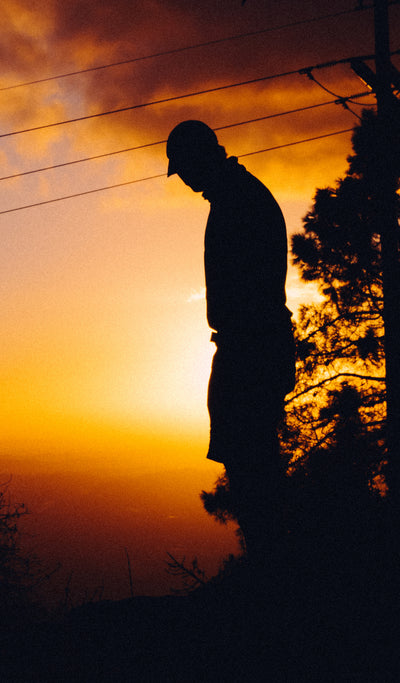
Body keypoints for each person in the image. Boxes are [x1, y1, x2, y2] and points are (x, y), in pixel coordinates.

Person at [166, 120, 296, 554]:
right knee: (251, 460)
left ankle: (270, 564)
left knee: (251, 462)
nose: (182, 180)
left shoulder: (239, 201)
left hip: (251, 348)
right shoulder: (236, 196)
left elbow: (250, 290)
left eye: (183, 168)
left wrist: (243, 351)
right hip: (251, 345)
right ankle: (268, 559)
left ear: (198, 158)